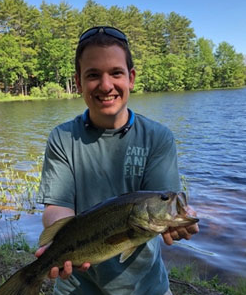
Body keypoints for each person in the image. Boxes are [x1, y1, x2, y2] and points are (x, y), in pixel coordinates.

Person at [35, 26, 199, 295]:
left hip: (145, 288)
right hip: (75, 285)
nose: (106, 85)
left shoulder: (158, 138)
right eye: (93, 75)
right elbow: (57, 207)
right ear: (78, 83)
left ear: (131, 78)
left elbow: (164, 202)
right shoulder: (62, 137)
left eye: (116, 73)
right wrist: (56, 247)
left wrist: (178, 221)